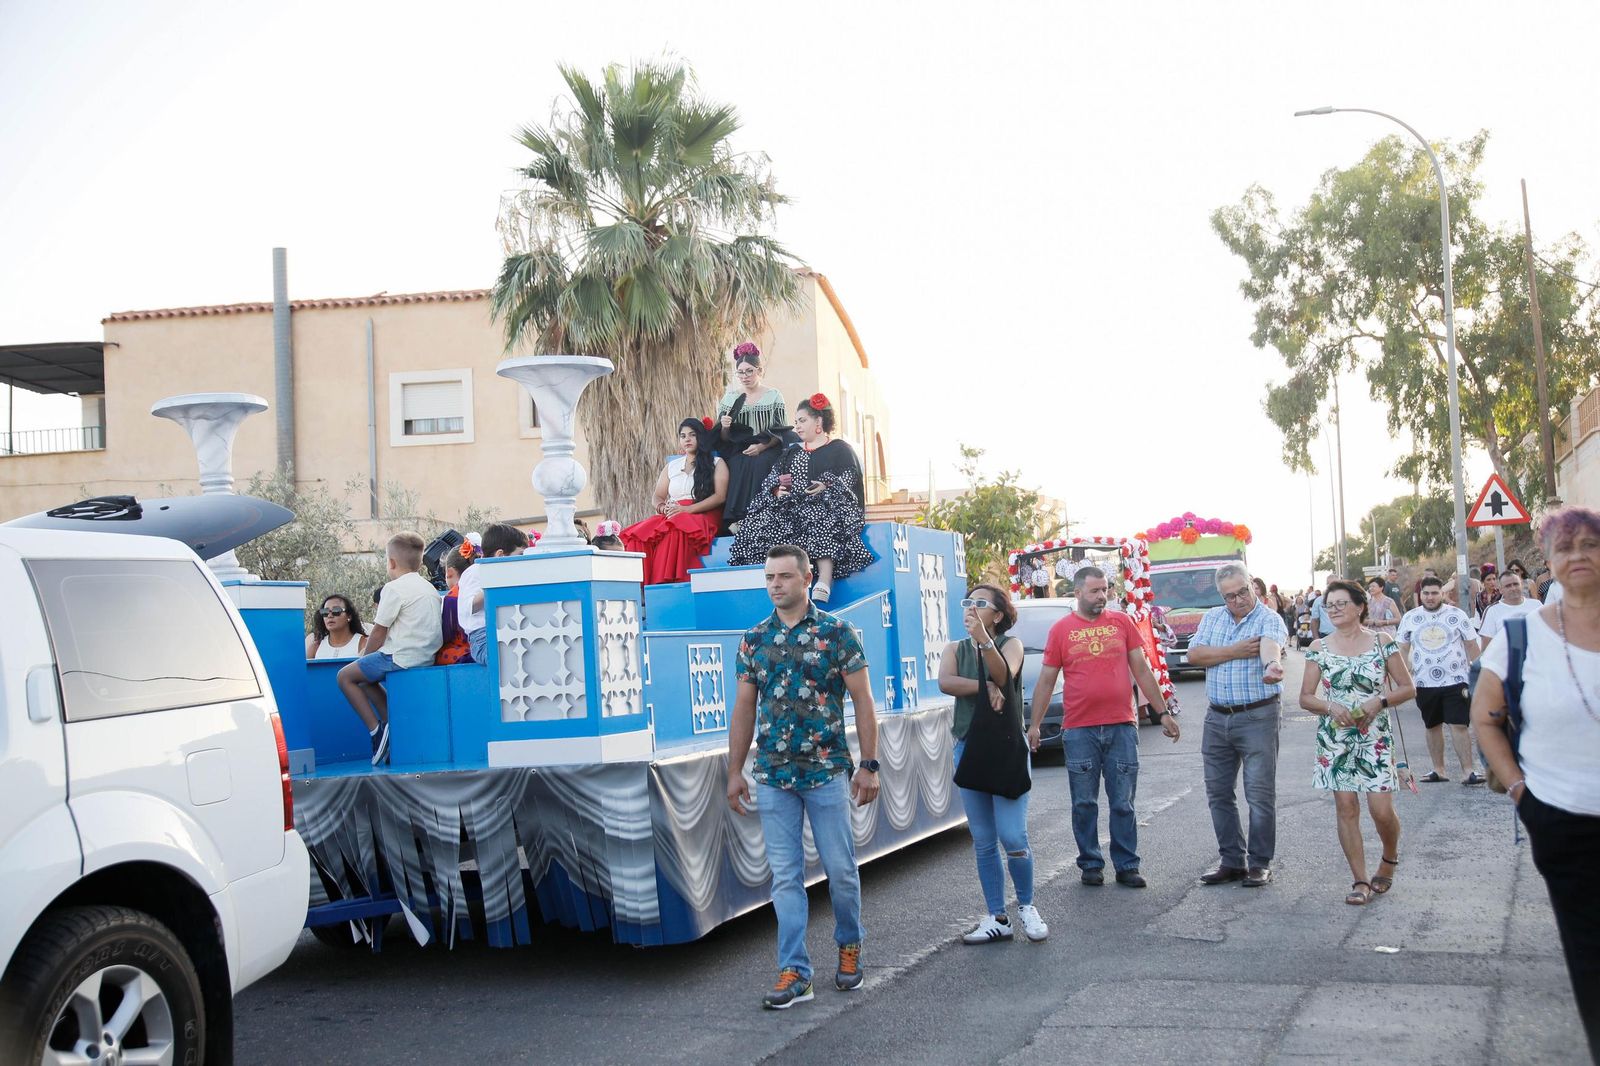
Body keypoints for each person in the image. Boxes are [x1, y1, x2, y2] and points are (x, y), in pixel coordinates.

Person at [726, 544, 880, 1009]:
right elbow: (744, 708)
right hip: (773, 776)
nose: (775, 585)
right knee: (786, 878)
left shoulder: (838, 634)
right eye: (769, 578)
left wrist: (869, 765)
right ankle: (794, 970)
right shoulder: (753, 640)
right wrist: (735, 771)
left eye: (785, 577)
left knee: (840, 870)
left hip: (827, 772)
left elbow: (863, 701)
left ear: (808, 577)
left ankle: (849, 945)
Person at [1472, 507, 1600, 1059]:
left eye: (1590, 545)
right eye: (1565, 548)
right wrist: (1522, 791)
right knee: (1592, 960)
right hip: (1563, 821)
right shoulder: (1521, 636)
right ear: (1548, 562)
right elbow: (1485, 718)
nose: (1579, 556)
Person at [1027, 566, 1177, 888]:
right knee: (1084, 803)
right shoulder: (1061, 630)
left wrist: (1161, 713)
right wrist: (1035, 725)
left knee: (1123, 801)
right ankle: (1091, 864)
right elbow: (1046, 680)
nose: (1102, 596)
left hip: (1121, 726)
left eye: (1105, 589)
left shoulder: (1122, 623)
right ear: (1077, 592)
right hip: (1079, 729)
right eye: (1095, 591)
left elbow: (1141, 669)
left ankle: (1127, 865)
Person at [937, 584, 1048, 944]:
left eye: (980, 603)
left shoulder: (1009, 644)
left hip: (1005, 747)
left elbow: (1005, 674)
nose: (970, 607)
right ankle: (996, 916)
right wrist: (985, 687)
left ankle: (1027, 906)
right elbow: (946, 682)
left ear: (997, 615)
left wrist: (985, 642)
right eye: (967, 601)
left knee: (1013, 835)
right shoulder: (954, 649)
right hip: (969, 747)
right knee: (983, 840)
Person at [1300, 580, 1417, 905]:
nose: (1334, 609)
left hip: (1375, 736)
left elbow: (1408, 688)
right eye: (1330, 605)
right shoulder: (1318, 647)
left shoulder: (1383, 641)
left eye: (1341, 603)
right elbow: (1306, 698)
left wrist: (1377, 702)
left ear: (1360, 606)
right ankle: (1360, 880)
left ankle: (1389, 858)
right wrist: (1330, 706)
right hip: (1335, 738)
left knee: (1381, 810)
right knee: (1346, 808)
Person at [1186, 563, 1290, 887]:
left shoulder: (1268, 619)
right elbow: (1194, 656)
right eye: (1230, 596)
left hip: (1257, 715)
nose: (1238, 600)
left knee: (1259, 794)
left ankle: (1259, 863)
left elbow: (1270, 648)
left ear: (1252, 585)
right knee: (1218, 793)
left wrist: (1271, 664)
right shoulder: (1212, 618)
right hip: (1216, 717)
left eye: (1242, 592)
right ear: (1222, 596)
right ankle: (1232, 861)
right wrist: (1234, 651)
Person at [727, 394, 873, 604]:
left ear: (819, 422)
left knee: (819, 512)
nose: (797, 427)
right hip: (794, 503)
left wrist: (826, 484)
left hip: (827, 502)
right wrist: (777, 489)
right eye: (796, 422)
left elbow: (849, 476)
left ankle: (825, 578)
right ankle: (781, 579)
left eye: (802, 421)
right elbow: (773, 477)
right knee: (773, 519)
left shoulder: (840, 448)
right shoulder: (791, 452)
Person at [337, 532, 443, 765]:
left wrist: (363, 658)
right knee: (364, 679)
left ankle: (376, 731)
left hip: (399, 656)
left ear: (391, 562)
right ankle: (390, 728)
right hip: (425, 657)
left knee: (345, 676)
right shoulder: (430, 590)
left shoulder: (393, 589)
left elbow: (378, 631)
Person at [622, 417, 728, 585]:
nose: (687, 439)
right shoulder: (672, 466)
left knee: (675, 528)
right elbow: (657, 496)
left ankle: (665, 583)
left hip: (703, 512)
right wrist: (663, 507)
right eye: (683, 435)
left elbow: (720, 497)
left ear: (701, 437)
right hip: (674, 513)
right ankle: (642, 588)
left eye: (692, 435)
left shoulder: (716, 463)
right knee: (637, 536)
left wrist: (687, 510)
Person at [1397, 576, 1482, 785]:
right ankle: (1439, 770)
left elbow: (1471, 645)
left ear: (1442, 594)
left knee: (1458, 724)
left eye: (1435, 593)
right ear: (1421, 595)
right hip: (1424, 682)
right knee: (1432, 725)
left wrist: (1481, 674)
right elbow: (1402, 649)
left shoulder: (1457, 615)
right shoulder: (1410, 617)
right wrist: (1399, 676)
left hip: (1456, 679)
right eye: (1426, 593)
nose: (1430, 597)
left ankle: (1468, 771)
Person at [715, 342, 791, 534]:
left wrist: (762, 447)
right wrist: (724, 427)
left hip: (769, 444)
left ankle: (759, 515)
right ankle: (736, 518)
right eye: (740, 372)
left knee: (760, 463)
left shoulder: (774, 396)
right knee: (738, 462)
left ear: (759, 370)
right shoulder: (730, 398)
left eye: (749, 371)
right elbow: (723, 437)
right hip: (738, 446)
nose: (744, 376)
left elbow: (782, 431)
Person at [457, 522, 530, 665]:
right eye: (520, 555)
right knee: (507, 660)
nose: (523, 561)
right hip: (483, 638)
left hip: (506, 632)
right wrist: (494, 585)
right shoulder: (476, 571)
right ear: (500, 555)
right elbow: (469, 606)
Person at [434, 543, 475, 666]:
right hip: (486, 647)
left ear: (449, 572)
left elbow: (447, 634)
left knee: (440, 653)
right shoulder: (482, 589)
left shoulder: (453, 596)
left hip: (464, 652)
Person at [1478, 569, 1541, 643]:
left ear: (1522, 585)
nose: (1513, 588)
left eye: (1516, 584)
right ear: (1501, 590)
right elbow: (1486, 644)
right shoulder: (1492, 611)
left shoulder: (1537, 605)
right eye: (1508, 586)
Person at [306, 593, 368, 660]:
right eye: (325, 612)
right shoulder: (315, 647)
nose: (330, 616)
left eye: (336, 611)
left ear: (349, 616)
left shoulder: (364, 644)